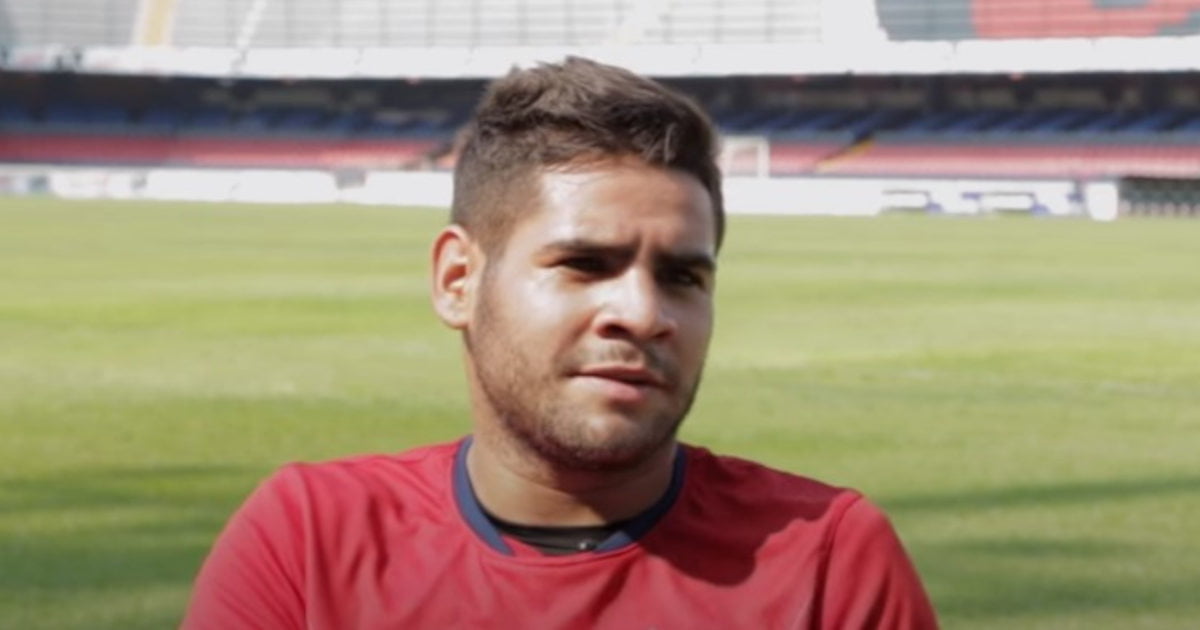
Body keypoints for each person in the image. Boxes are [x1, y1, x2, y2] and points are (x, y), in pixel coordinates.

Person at [182, 57, 938, 629]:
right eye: (585, 264)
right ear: (458, 280)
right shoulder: (309, 542)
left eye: (682, 276)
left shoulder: (828, 562)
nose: (641, 313)